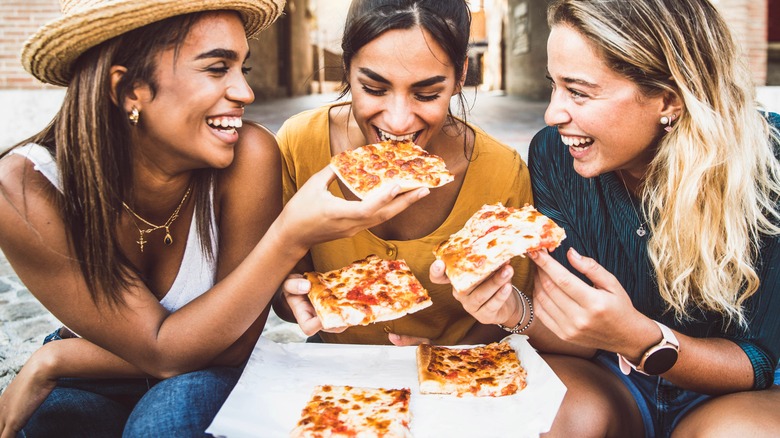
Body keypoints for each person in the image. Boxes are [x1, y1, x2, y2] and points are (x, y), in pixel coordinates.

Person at [0, 0, 426, 435]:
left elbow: (233, 345)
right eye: (218, 68)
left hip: (198, 371)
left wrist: (51, 360)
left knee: (164, 426)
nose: (245, 92)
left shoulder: (251, 156)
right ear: (128, 89)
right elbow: (158, 348)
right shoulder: (24, 190)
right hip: (91, 372)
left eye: (245, 69)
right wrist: (60, 362)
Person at [442, 0, 780, 436]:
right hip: (611, 380)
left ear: (669, 99)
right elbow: (578, 342)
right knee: (547, 417)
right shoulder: (554, 155)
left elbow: (760, 360)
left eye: (578, 92)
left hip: (734, 393)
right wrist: (511, 309)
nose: (552, 114)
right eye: (554, 86)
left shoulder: (768, 163)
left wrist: (638, 338)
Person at [274, 0, 535, 346]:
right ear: (347, 69)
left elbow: (512, 311)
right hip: (337, 384)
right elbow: (281, 290)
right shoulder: (299, 144)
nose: (398, 121)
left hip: (460, 376)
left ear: (459, 77)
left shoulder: (502, 173)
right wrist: (292, 298)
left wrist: (445, 356)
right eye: (373, 88)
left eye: (427, 94)